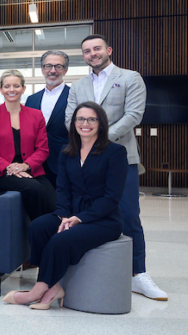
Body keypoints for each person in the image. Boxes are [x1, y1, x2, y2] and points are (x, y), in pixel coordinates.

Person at [64, 34, 165, 300]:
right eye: (87, 51)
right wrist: (88, 141)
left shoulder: (131, 78)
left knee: (129, 215)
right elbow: (69, 119)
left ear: (108, 50)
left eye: (97, 48)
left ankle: (139, 274)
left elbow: (133, 115)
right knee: (87, 213)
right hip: (85, 161)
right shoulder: (78, 86)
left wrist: (101, 140)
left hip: (121, 157)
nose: (92, 54)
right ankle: (90, 270)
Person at [3, 102, 128, 310]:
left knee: (61, 239)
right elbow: (62, 189)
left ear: (101, 123)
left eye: (91, 119)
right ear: (74, 123)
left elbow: (112, 197)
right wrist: (62, 214)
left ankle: (37, 290)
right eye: (80, 119)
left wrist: (80, 218)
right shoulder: (67, 152)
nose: (84, 123)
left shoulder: (115, 152)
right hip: (70, 213)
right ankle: (54, 287)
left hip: (103, 218)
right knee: (38, 227)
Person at [0, 69, 55, 220]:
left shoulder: (36, 115)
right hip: (2, 173)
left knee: (53, 202)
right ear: (1, 89)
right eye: (7, 86)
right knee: (34, 189)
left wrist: (24, 166)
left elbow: (43, 150)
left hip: (32, 170)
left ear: (23, 89)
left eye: (16, 86)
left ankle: (51, 235)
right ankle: (36, 232)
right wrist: (10, 167)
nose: (11, 90)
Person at [25, 50, 72, 188]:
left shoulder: (74, 96)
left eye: (58, 66)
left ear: (65, 70)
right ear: (42, 69)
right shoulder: (32, 99)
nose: (53, 70)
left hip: (64, 161)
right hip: (35, 164)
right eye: (48, 66)